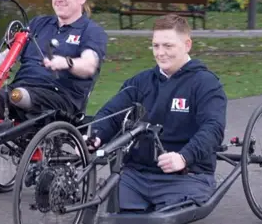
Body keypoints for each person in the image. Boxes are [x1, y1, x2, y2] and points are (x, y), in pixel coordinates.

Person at [87, 14, 227, 213]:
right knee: (105, 215)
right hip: (136, 175)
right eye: (156, 46)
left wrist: (184, 157)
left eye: (168, 46)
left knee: (163, 218)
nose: (160, 53)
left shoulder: (206, 83)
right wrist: (95, 136)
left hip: (187, 176)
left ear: (187, 45)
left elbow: (213, 128)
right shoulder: (140, 82)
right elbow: (112, 113)